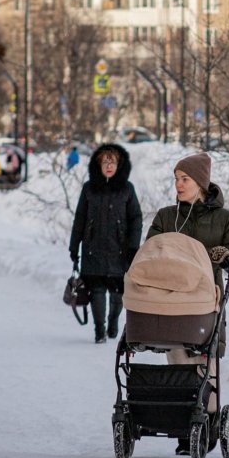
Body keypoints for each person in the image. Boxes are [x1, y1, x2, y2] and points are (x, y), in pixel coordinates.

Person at [146, 152, 229, 455]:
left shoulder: (225, 220)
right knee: (178, 358)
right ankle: (181, 425)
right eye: (176, 179)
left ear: (200, 183)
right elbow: (149, 250)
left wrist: (228, 258)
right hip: (171, 299)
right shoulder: (167, 217)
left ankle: (209, 420)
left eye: (184, 179)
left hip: (206, 300)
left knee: (204, 361)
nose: (178, 184)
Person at [69, 144, 142, 343]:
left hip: (120, 250)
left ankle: (113, 321)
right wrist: (74, 246)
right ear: (98, 165)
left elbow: (136, 218)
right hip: (94, 249)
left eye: (113, 162)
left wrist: (133, 246)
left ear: (120, 165)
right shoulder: (89, 189)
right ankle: (99, 330)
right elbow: (80, 218)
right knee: (97, 291)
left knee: (118, 293)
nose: (109, 166)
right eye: (105, 162)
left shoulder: (127, 189)